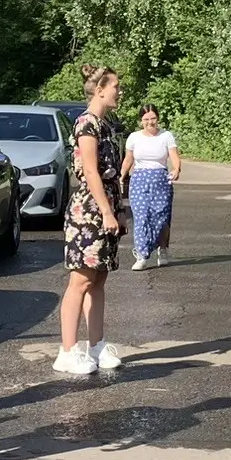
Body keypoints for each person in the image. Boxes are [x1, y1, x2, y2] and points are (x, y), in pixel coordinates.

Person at [54, 64, 127, 375]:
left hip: (107, 206)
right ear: (99, 90)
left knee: (98, 279)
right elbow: (91, 171)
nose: (119, 92)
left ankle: (95, 345)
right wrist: (107, 211)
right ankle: (67, 350)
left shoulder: (106, 125)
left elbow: (115, 175)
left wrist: (119, 207)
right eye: (115, 87)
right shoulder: (86, 125)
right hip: (89, 212)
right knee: (81, 280)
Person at [122, 104, 182, 270]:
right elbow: (128, 159)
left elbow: (174, 156)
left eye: (153, 118)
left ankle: (162, 249)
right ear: (141, 121)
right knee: (141, 217)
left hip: (161, 179)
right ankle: (142, 255)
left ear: (158, 118)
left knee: (161, 217)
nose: (150, 122)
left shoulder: (166, 136)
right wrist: (121, 175)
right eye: (146, 119)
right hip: (140, 179)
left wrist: (176, 169)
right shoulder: (134, 137)